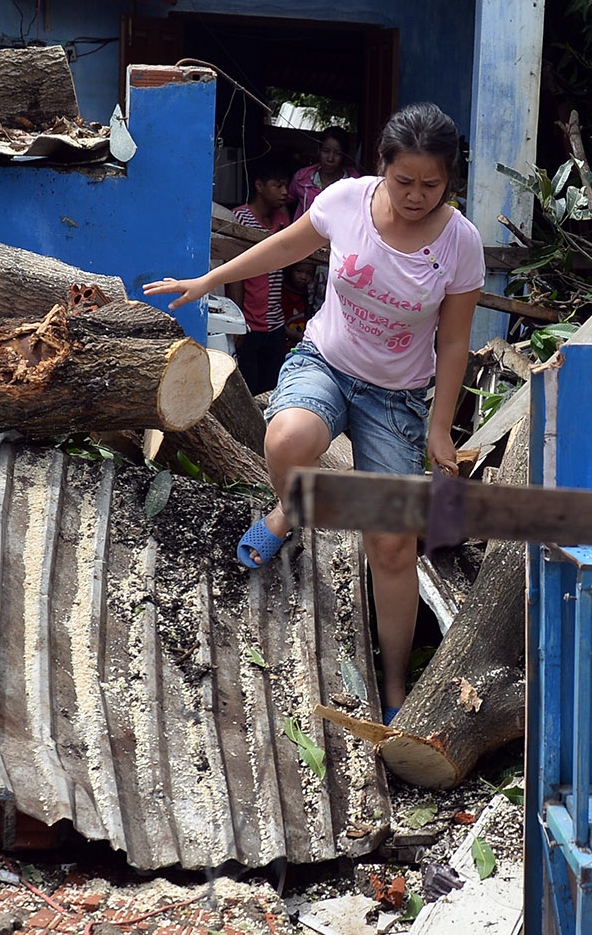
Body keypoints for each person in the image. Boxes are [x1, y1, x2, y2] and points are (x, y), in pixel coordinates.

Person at [146, 103, 484, 721]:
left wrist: (439, 425)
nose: (414, 196)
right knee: (287, 439)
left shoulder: (460, 243)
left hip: (399, 398)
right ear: (382, 169)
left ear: (449, 180)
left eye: (430, 185)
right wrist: (206, 281)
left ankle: (394, 682)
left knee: (391, 547)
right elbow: (279, 249)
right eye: (403, 181)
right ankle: (290, 507)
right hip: (326, 363)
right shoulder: (347, 201)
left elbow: (455, 339)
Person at [227, 159, 295, 394]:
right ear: (259, 186)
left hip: (275, 323)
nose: (285, 192)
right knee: (249, 388)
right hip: (248, 325)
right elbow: (234, 274)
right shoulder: (240, 219)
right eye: (278, 185)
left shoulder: (283, 221)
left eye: (286, 185)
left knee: (272, 388)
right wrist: (238, 322)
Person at [288, 127, 360, 222]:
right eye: (326, 151)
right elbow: (283, 201)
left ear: (344, 155)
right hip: (306, 235)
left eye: (337, 153)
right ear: (319, 150)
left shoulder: (355, 184)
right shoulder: (302, 179)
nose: (330, 158)